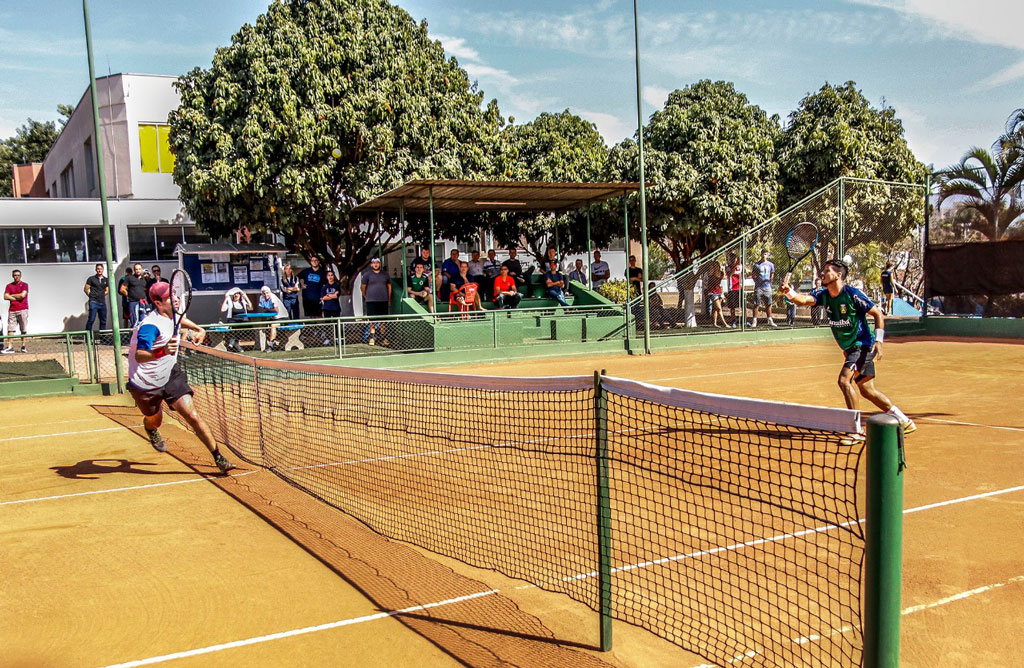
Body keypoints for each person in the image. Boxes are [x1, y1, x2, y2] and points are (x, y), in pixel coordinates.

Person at [781, 259, 916, 441]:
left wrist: (879, 341)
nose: (823, 274)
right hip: (850, 349)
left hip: (862, 345)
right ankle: (904, 420)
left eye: (827, 271)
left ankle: (856, 430)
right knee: (867, 391)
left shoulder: (852, 294)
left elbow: (877, 313)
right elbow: (803, 300)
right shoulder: (823, 294)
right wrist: (788, 292)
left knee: (844, 381)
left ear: (838, 275)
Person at [126, 281, 235, 473]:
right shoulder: (150, 326)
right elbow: (139, 355)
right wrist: (162, 351)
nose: (176, 299)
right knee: (154, 419)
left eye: (175, 295)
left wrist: (199, 329)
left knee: (192, 415)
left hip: (170, 375)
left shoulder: (172, 314)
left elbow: (179, 319)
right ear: (159, 303)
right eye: (170, 297)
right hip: (145, 382)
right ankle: (151, 429)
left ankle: (218, 457)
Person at [361, 258, 392, 345]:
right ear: (371, 264)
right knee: (372, 320)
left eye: (377, 262)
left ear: (380, 264)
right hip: (371, 301)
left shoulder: (385, 275)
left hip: (383, 301)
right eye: (374, 263)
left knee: (383, 321)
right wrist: (366, 297)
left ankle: (383, 339)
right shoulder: (367, 275)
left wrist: (389, 299)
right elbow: (363, 287)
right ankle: (372, 338)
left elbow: (389, 287)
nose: (375, 264)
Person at [2, 269, 29, 354]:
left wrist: (12, 295)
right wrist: (17, 297)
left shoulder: (24, 285)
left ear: (20, 276)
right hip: (12, 309)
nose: (16, 277)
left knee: (23, 328)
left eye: (18, 275)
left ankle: (23, 346)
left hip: (23, 309)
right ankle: (10, 347)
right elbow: (5, 296)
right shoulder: (9, 286)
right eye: (14, 275)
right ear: (12, 276)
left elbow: (22, 295)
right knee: (10, 328)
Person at [749, 249, 777, 328]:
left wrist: (769, 281)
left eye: (766, 254)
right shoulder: (756, 265)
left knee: (768, 304)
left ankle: (770, 320)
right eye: (763, 254)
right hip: (759, 287)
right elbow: (753, 275)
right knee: (756, 304)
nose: (764, 255)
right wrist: (757, 281)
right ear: (761, 254)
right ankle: (754, 321)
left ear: (767, 255)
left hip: (767, 287)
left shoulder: (770, 264)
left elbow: (772, 274)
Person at [257, 285, 289, 351]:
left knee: (273, 325)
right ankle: (263, 343)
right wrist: (268, 309)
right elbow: (263, 309)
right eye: (264, 293)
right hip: (273, 317)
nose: (266, 295)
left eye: (267, 292)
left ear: (270, 292)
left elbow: (276, 310)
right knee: (264, 325)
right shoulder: (261, 298)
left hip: (282, 316)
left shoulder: (273, 297)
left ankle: (270, 345)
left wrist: (267, 309)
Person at [220, 287, 252, 352]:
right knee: (234, 328)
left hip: (242, 322)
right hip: (233, 321)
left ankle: (233, 341)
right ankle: (235, 344)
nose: (236, 295)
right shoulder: (230, 302)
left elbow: (250, 308)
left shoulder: (243, 302)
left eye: (238, 294)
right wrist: (226, 298)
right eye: (235, 294)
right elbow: (222, 309)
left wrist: (246, 297)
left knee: (248, 326)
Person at [84, 263, 109, 332]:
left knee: (103, 320)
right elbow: (86, 289)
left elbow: (107, 290)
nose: (99, 270)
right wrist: (91, 296)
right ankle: (88, 336)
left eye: (100, 269)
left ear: (103, 270)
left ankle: (103, 338)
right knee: (91, 319)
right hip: (93, 302)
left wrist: (101, 294)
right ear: (96, 270)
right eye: (98, 269)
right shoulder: (91, 279)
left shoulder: (106, 280)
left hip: (102, 302)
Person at [705, 260, 727, 328]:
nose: (716, 267)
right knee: (719, 308)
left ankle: (714, 323)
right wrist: (712, 267)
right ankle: (725, 324)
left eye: (717, 266)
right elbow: (710, 274)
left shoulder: (721, 273)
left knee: (716, 309)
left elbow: (723, 276)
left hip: (719, 291)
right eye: (715, 266)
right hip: (712, 292)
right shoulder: (711, 273)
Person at [725, 252, 742, 328]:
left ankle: (744, 320)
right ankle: (733, 321)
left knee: (742, 305)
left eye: (733, 259)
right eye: (730, 259)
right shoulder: (728, 267)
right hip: (731, 289)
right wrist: (735, 265)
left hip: (739, 288)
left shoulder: (740, 266)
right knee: (732, 307)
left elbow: (741, 274)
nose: (732, 260)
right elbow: (729, 274)